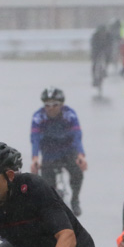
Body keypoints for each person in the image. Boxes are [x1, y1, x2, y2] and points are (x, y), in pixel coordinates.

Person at [31, 87, 87, 216]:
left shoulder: (69, 114)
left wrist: (80, 154)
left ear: (61, 105)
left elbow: (77, 135)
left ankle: (75, 200)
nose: (51, 108)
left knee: (77, 173)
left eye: (55, 105)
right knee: (47, 187)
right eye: (47, 105)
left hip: (68, 151)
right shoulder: (38, 117)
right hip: (49, 153)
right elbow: (35, 139)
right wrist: (35, 158)